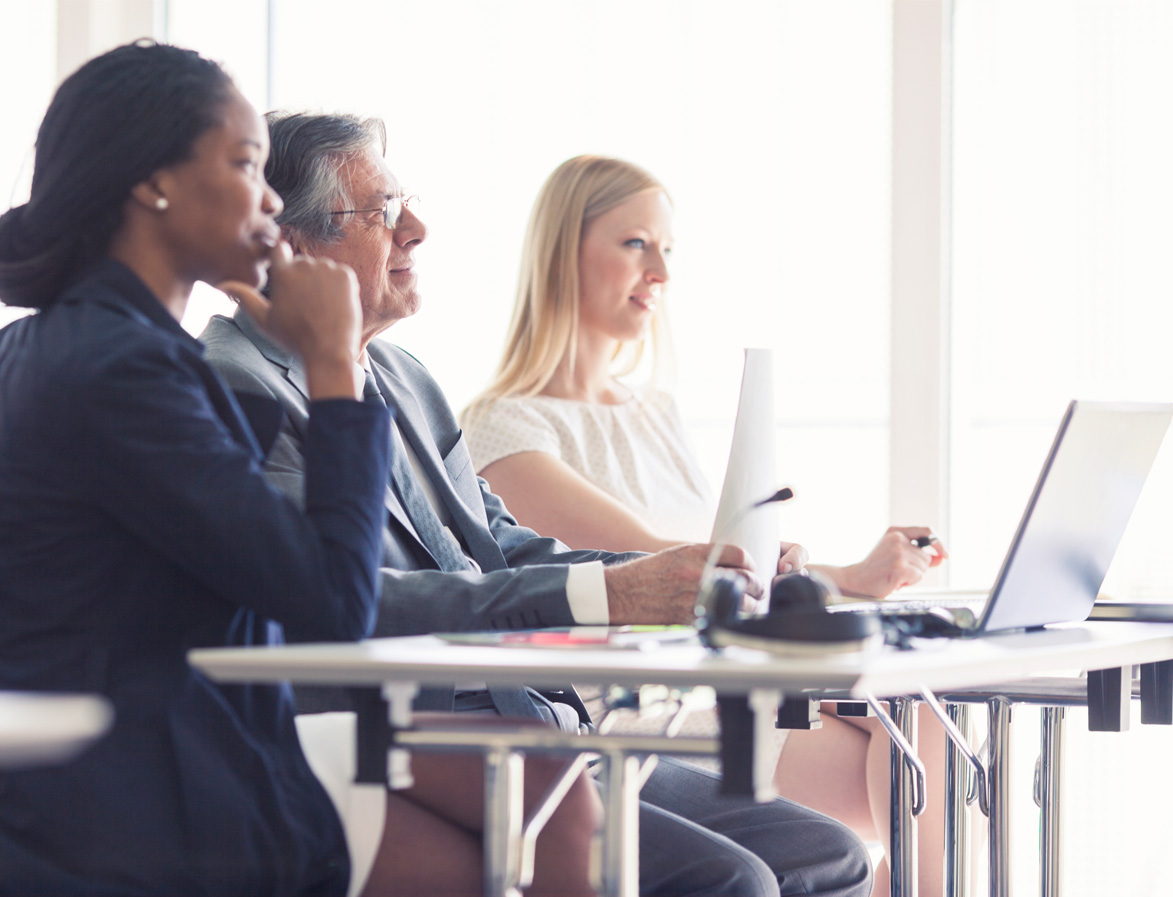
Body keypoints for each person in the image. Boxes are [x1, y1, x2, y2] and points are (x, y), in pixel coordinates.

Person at [200, 111, 874, 897]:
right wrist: (615, 592)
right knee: (732, 881)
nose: (416, 228)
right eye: (382, 212)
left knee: (829, 853)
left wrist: (674, 572)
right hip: (416, 744)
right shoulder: (232, 385)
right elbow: (338, 596)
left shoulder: (405, 376)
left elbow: (501, 545)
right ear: (292, 245)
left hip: (542, 721)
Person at [0, 43, 599, 897]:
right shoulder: (120, 370)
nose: (271, 202)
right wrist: (331, 371)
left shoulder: (69, 346)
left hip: (163, 761)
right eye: (246, 164)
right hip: (134, 800)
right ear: (152, 184)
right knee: (529, 833)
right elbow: (330, 598)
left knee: (536, 816)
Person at [460, 154, 953, 897]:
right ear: (563, 253)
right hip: (640, 711)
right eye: (635, 243)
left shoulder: (652, 412)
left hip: (729, 694)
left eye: (666, 249)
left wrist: (841, 576)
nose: (659, 270)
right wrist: (826, 575)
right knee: (907, 756)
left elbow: (731, 561)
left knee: (927, 733)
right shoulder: (504, 427)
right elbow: (657, 566)